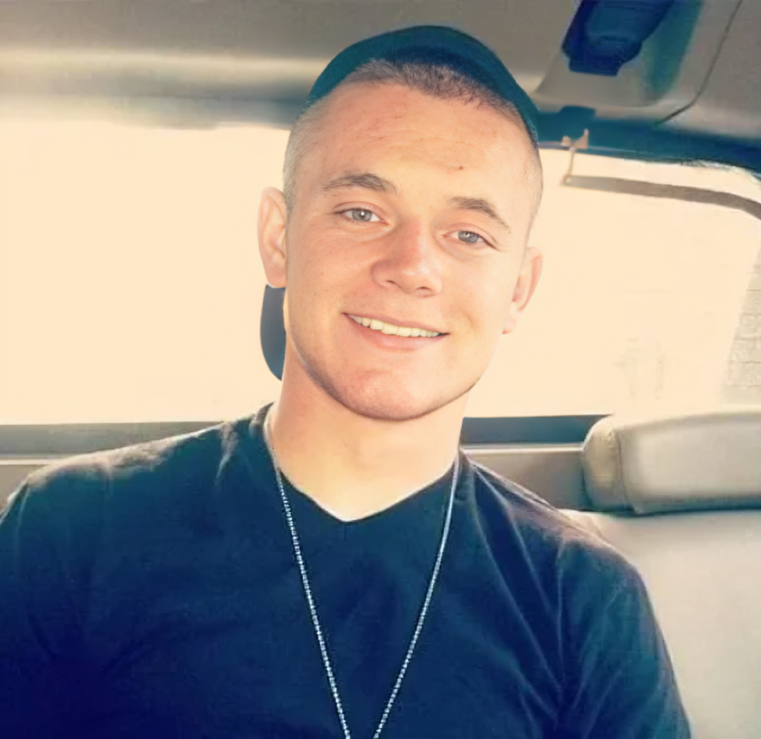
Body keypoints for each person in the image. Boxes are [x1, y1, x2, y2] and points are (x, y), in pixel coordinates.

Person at [0, 25, 690, 739]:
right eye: (361, 213)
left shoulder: (582, 597)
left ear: (518, 288)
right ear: (278, 238)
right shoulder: (74, 528)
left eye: (469, 234)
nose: (412, 266)